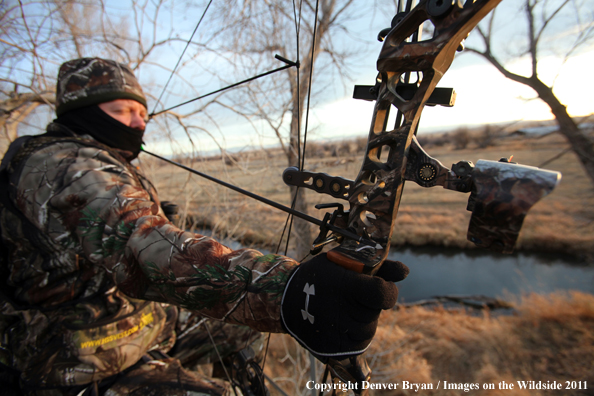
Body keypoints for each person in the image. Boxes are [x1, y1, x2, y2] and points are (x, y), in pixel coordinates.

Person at [0, 58, 408, 396]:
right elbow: (145, 245)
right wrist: (293, 290)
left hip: (140, 324)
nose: (139, 123)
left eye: (143, 113)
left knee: (242, 328)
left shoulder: (89, 161)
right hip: (75, 356)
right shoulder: (70, 166)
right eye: (123, 111)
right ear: (82, 110)